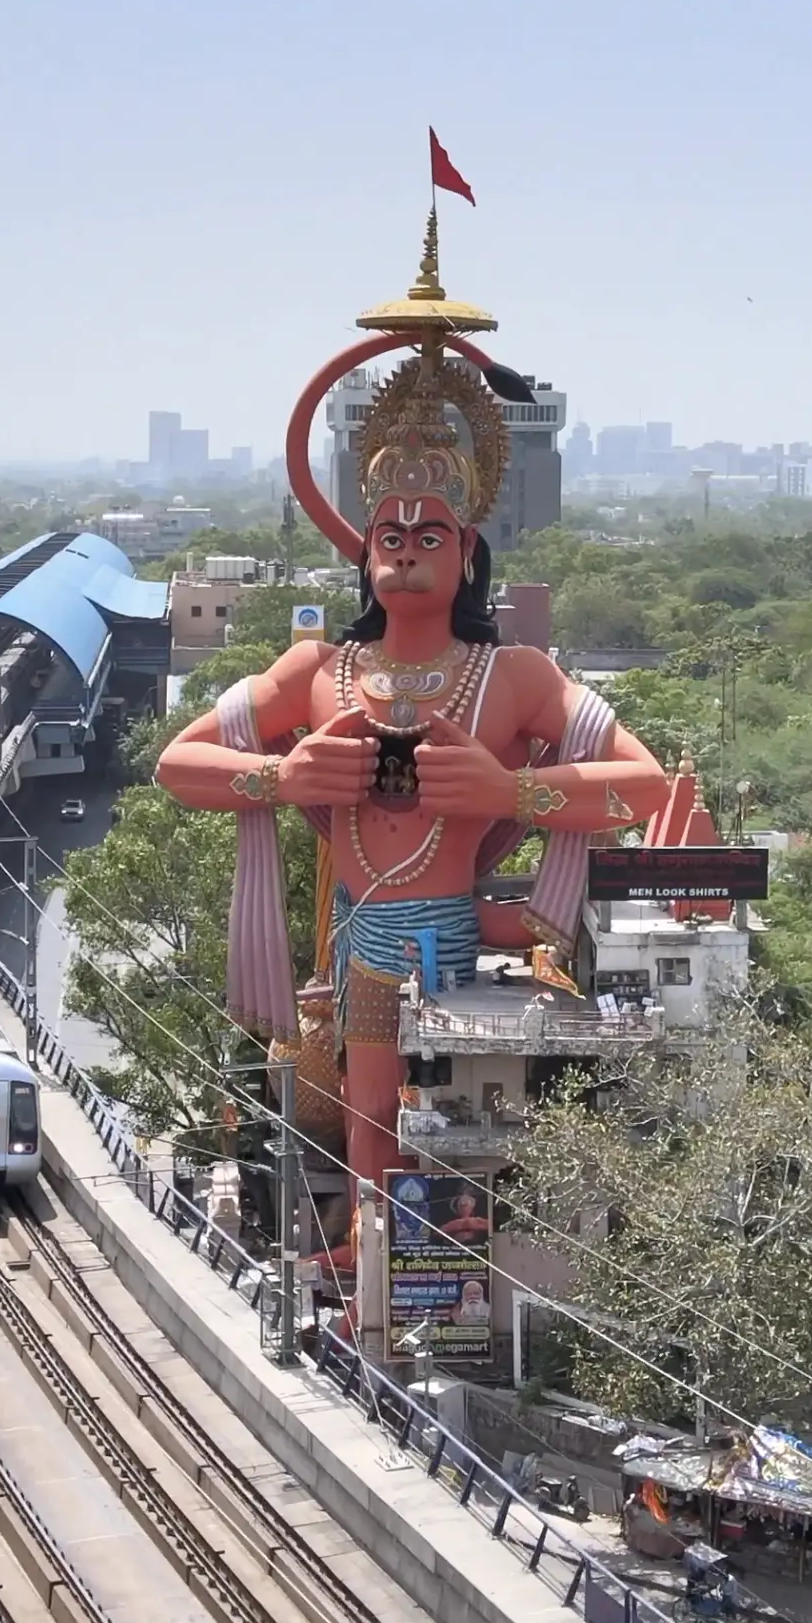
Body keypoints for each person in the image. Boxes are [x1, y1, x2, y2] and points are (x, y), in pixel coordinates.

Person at [155, 226, 670, 1182]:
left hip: (464, 936)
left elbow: (640, 786)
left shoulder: (513, 674)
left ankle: (446, 1265)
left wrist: (506, 793)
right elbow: (179, 765)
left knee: (468, 1130)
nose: (403, 543)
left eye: (429, 530)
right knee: (373, 1124)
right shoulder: (318, 668)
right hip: (366, 943)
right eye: (386, 529)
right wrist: (284, 774)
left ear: (467, 551)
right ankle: (372, 1265)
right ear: (362, 549)